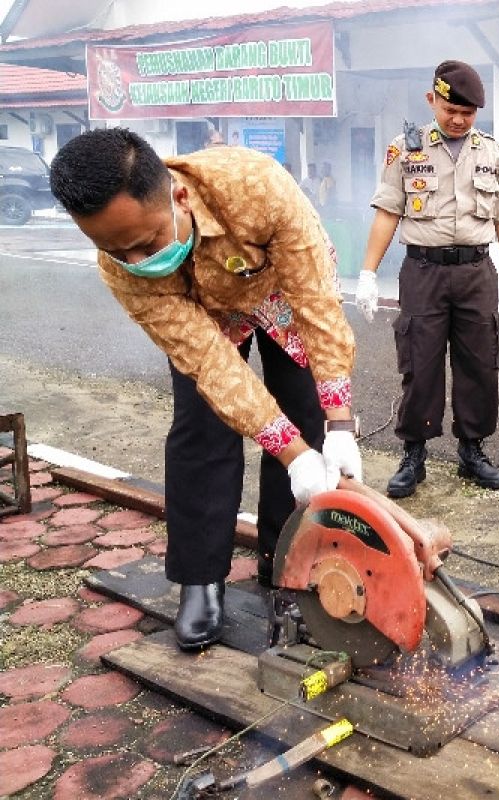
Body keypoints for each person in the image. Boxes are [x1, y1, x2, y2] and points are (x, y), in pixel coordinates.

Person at [49, 128, 361, 651]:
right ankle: (200, 579)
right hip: (202, 315)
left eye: (148, 242)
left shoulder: (256, 188)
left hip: (277, 286)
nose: (136, 257)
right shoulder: (121, 267)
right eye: (115, 248)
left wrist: (340, 424)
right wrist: (293, 455)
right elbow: (212, 365)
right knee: (203, 425)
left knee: (304, 410)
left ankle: (285, 563)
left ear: (179, 197)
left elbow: (317, 304)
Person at [354, 60, 499, 498]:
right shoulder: (405, 150)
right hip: (423, 271)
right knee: (420, 361)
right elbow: (388, 210)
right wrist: (368, 273)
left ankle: (472, 450)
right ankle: (414, 454)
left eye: (468, 113)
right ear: (432, 100)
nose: (459, 119)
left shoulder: (492, 152)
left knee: (480, 363)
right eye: (451, 109)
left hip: (475, 271)